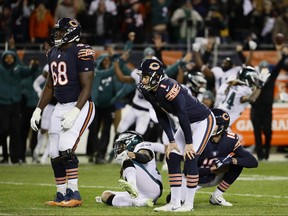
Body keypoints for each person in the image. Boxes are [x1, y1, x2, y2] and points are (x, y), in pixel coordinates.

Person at [30, 17, 95, 207]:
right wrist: (38, 109)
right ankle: (60, 194)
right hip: (60, 106)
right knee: (53, 152)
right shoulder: (53, 52)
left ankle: (74, 193)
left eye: (60, 31)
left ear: (71, 32)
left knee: (66, 147)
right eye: (57, 30)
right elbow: (50, 86)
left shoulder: (81, 51)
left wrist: (75, 111)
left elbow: (87, 87)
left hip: (81, 105)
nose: (57, 34)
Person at [137, 58, 215, 212]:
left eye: (145, 76)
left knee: (191, 156)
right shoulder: (148, 91)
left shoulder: (169, 87)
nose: (142, 79)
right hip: (186, 123)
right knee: (172, 156)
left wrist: (189, 143)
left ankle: (189, 204)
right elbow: (161, 115)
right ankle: (174, 202)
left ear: (155, 76)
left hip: (203, 121)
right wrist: (172, 140)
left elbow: (182, 114)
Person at [166, 108, 258, 206]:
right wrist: (212, 170)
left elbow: (253, 162)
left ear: (222, 127)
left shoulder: (231, 140)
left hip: (215, 177)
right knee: (172, 200)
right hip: (194, 178)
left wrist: (231, 160)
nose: (208, 125)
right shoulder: (197, 137)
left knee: (238, 162)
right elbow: (187, 170)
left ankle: (217, 195)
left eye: (213, 123)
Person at [98, 131, 164, 207]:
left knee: (126, 159)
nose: (119, 149)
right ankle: (139, 202)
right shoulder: (128, 163)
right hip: (142, 194)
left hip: (153, 186)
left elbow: (145, 157)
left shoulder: (141, 146)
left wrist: (131, 154)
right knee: (105, 195)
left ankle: (132, 185)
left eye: (122, 146)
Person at [250, 46, 288, 161]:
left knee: (268, 132)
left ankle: (266, 153)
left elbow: (279, 66)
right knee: (257, 133)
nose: (264, 70)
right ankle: (261, 156)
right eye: (263, 68)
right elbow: (245, 65)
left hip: (267, 111)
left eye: (266, 68)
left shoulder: (271, 79)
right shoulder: (255, 79)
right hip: (255, 110)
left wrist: (285, 55)